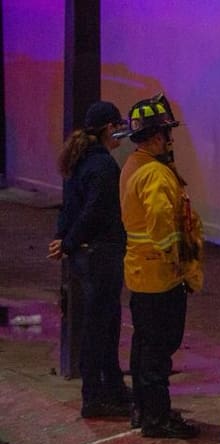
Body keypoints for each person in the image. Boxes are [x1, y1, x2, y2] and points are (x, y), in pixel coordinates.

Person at [115, 94, 204, 438]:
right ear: (155, 137)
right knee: (158, 349)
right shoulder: (155, 173)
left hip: (141, 272)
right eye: (167, 133)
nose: (170, 139)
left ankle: (143, 409)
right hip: (160, 275)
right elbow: (162, 224)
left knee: (144, 346)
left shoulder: (134, 165)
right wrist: (179, 264)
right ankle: (157, 418)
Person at [49, 100, 130, 419]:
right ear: (109, 128)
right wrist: (67, 242)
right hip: (101, 255)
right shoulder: (103, 166)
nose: (121, 132)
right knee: (101, 328)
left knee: (105, 323)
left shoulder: (80, 161)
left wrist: (64, 240)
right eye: (118, 126)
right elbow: (95, 211)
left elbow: (71, 207)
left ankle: (112, 388)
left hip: (86, 255)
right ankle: (95, 396)